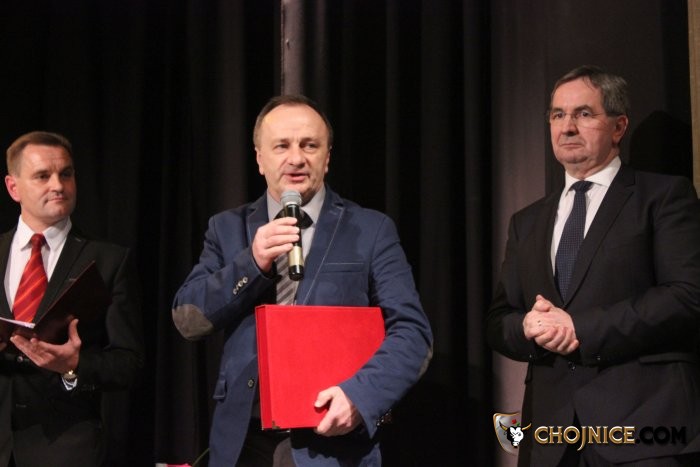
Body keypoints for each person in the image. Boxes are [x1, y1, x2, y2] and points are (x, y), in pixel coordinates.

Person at [172, 94, 433, 466]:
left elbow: (412, 333)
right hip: (243, 444)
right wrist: (252, 264)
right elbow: (189, 319)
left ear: (327, 158)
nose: (296, 158)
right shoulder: (226, 229)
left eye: (309, 145)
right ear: (259, 158)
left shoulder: (371, 229)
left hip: (331, 444)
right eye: (281, 146)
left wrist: (359, 397)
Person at [486, 65, 700, 466]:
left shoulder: (663, 197)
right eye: (558, 115)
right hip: (551, 440)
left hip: (643, 430)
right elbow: (500, 320)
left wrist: (580, 328)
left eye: (583, 114)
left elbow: (687, 297)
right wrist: (527, 327)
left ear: (619, 127)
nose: (567, 127)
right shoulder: (526, 221)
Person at [0, 131, 144, 466]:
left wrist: (74, 365)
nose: (58, 185)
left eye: (66, 174)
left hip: (65, 447)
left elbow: (129, 364)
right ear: (13, 187)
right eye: (42, 176)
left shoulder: (108, 261)